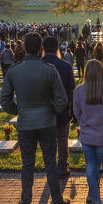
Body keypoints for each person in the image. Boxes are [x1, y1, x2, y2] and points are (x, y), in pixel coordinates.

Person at [0, 32, 70, 204]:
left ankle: (25, 202)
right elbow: (62, 100)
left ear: (24, 47)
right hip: (47, 122)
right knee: (50, 163)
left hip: (26, 123)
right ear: (40, 48)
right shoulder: (49, 70)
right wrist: (51, 110)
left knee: (27, 165)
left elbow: (5, 99)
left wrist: (18, 110)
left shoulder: (14, 71)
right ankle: (57, 201)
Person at [73, 59, 103, 204]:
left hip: (87, 134)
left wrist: (86, 121)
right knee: (93, 166)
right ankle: (97, 200)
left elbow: (77, 113)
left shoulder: (79, 91)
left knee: (92, 167)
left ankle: (91, 195)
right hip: (102, 135)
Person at [42, 36, 75, 179]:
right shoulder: (65, 66)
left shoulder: (39, 65)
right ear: (57, 48)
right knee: (62, 140)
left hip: (44, 111)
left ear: (43, 48)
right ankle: (62, 167)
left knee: (48, 142)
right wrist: (72, 110)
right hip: (62, 110)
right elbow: (71, 90)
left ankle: (51, 168)